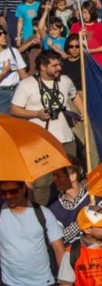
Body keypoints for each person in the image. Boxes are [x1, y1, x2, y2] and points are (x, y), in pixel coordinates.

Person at [12, 51, 83, 201]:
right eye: (55, 65)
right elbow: (14, 109)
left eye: (60, 64)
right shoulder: (27, 84)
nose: (59, 68)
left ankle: (70, 208)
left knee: (70, 176)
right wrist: (36, 114)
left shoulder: (65, 80)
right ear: (43, 67)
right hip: (41, 141)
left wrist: (83, 112)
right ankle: (40, 213)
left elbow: (74, 94)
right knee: (42, 181)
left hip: (65, 138)